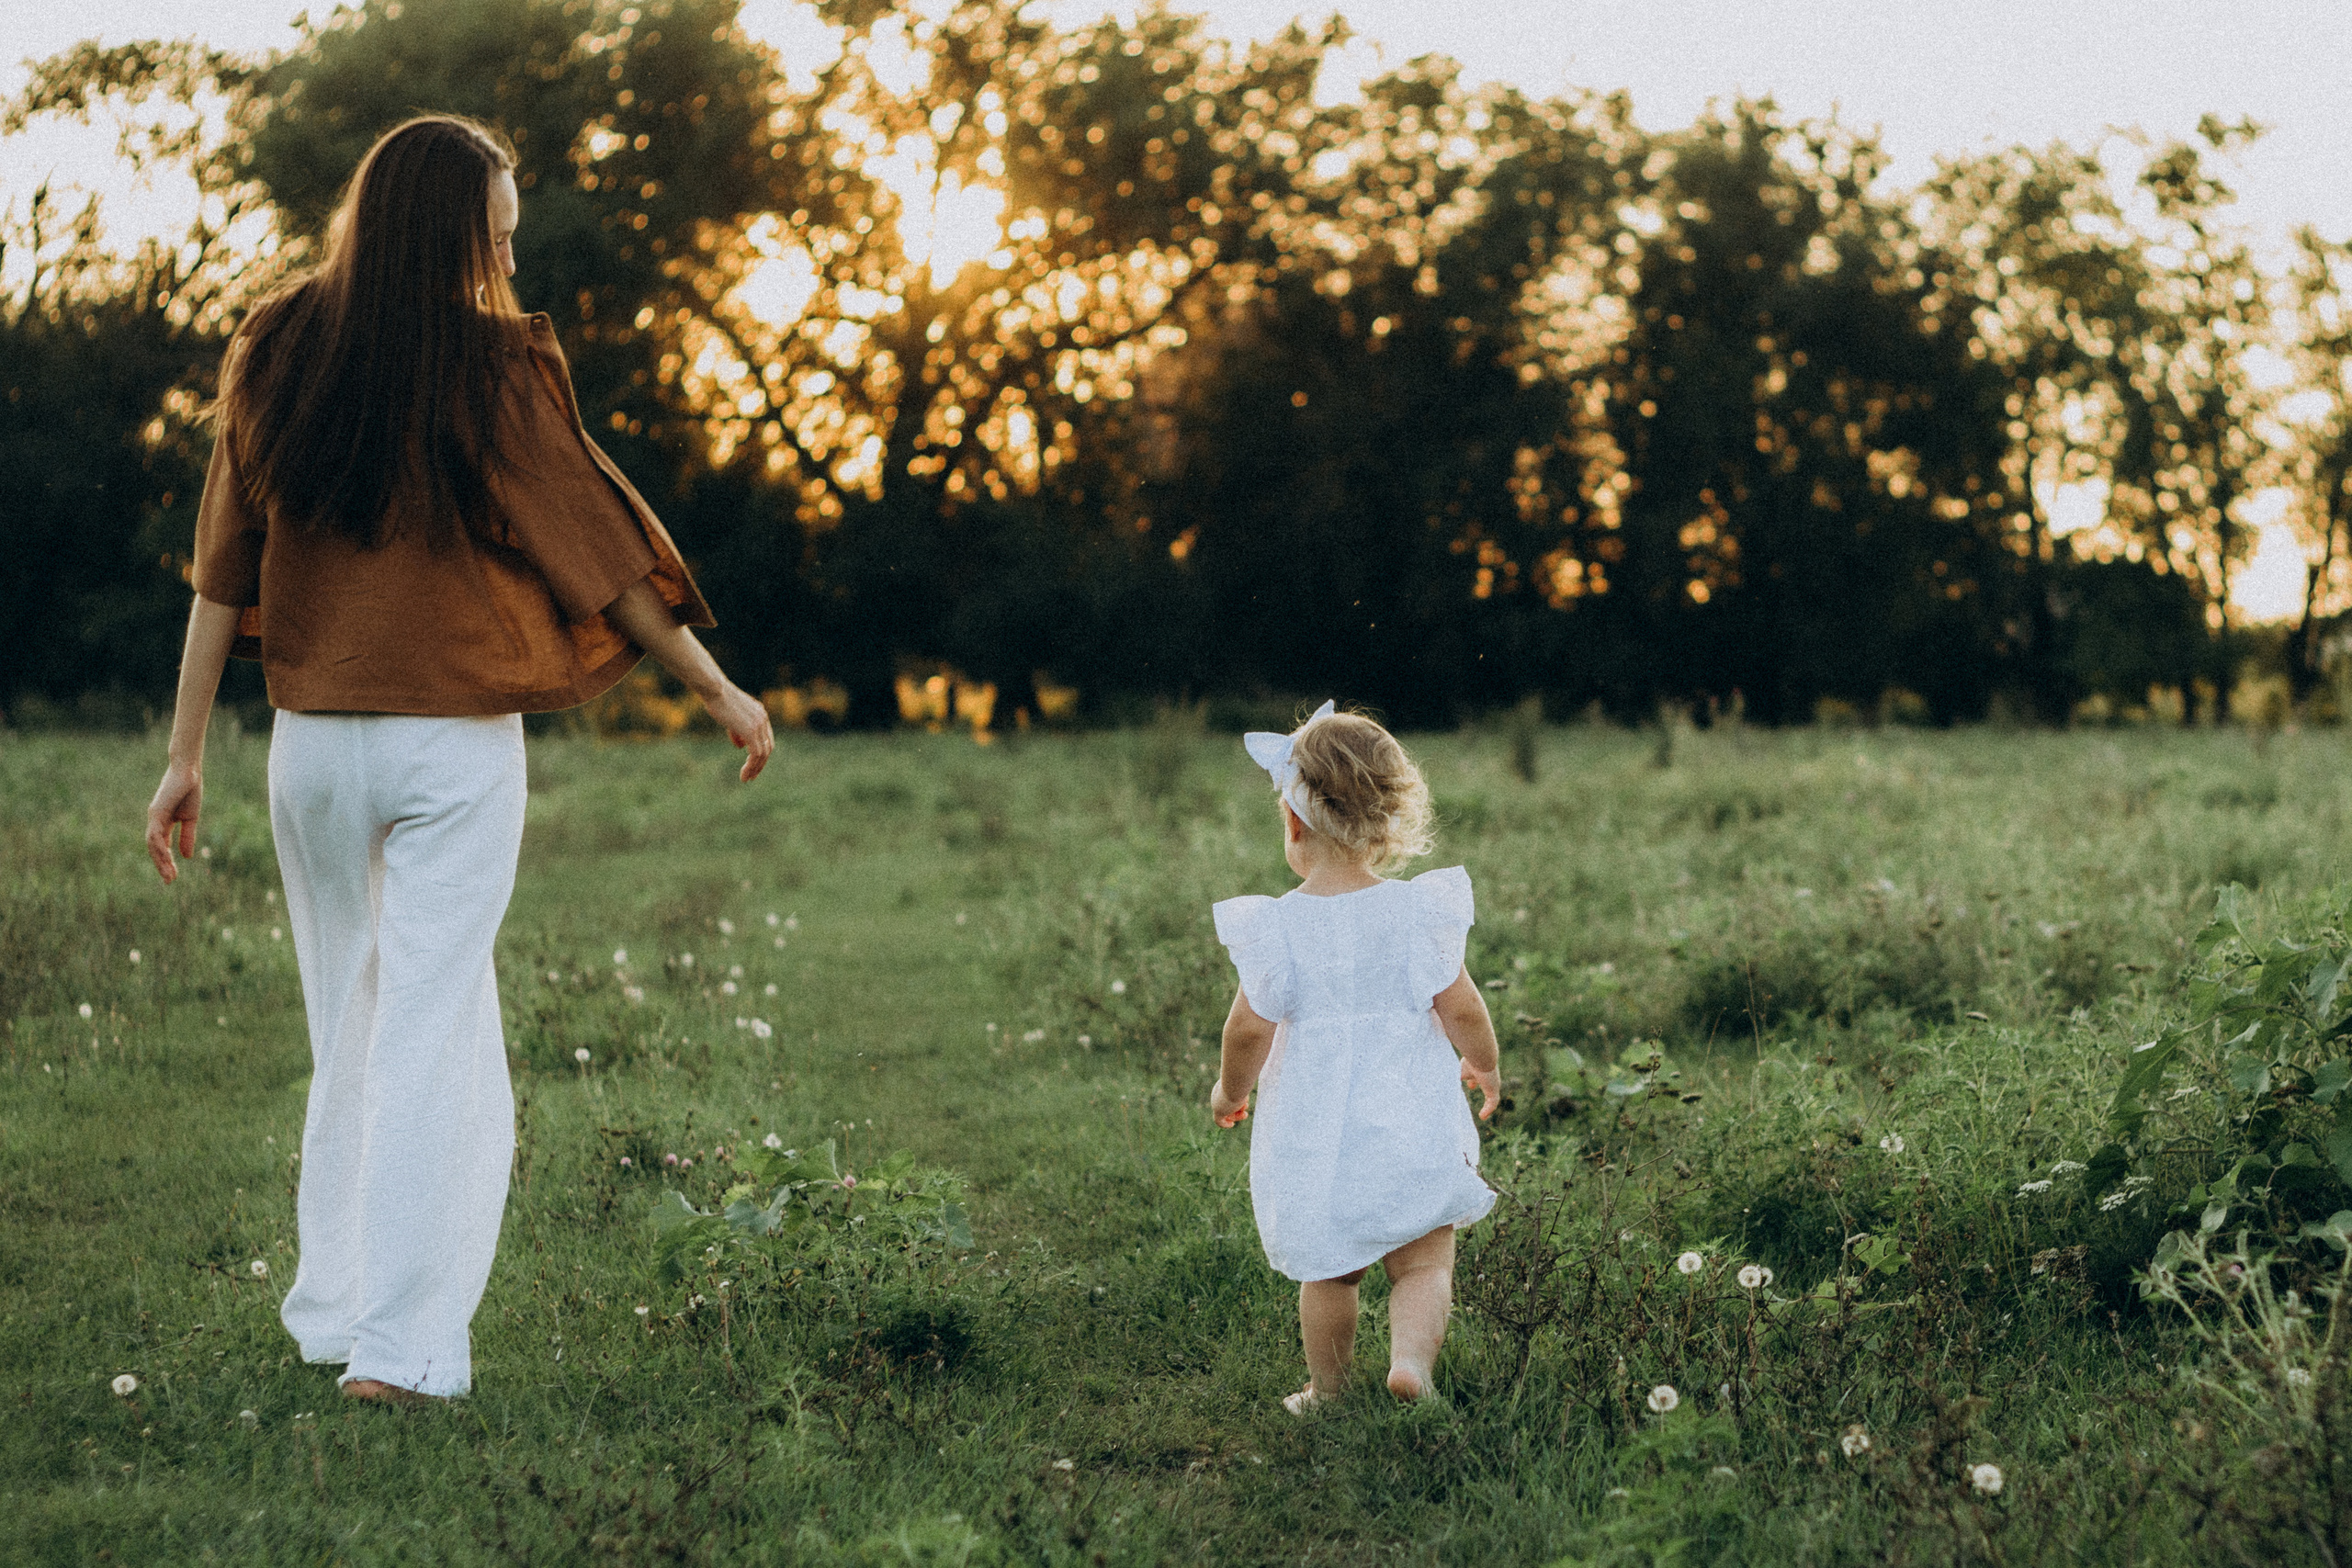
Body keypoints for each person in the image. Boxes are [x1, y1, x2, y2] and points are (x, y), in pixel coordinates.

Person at [141, 114, 775, 1405]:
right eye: (495, 227)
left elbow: (223, 567)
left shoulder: (273, 344)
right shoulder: (489, 368)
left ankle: (334, 1309)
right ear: (448, 226)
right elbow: (592, 541)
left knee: (354, 1029)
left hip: (310, 752)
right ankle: (401, 1349)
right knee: (429, 1031)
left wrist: (184, 753)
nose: (504, 249)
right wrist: (711, 682)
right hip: (450, 747)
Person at [1208, 701, 1502, 1413]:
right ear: (1384, 824)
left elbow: (1248, 1029)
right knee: (1424, 1260)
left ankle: (1330, 1390)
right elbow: (1461, 1004)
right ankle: (1411, 1367)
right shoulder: (1415, 912)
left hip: (1318, 1134)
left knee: (1330, 1273)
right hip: (1410, 1116)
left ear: (1292, 823)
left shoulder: (1278, 928)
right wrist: (1485, 1064)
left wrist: (1229, 1091)